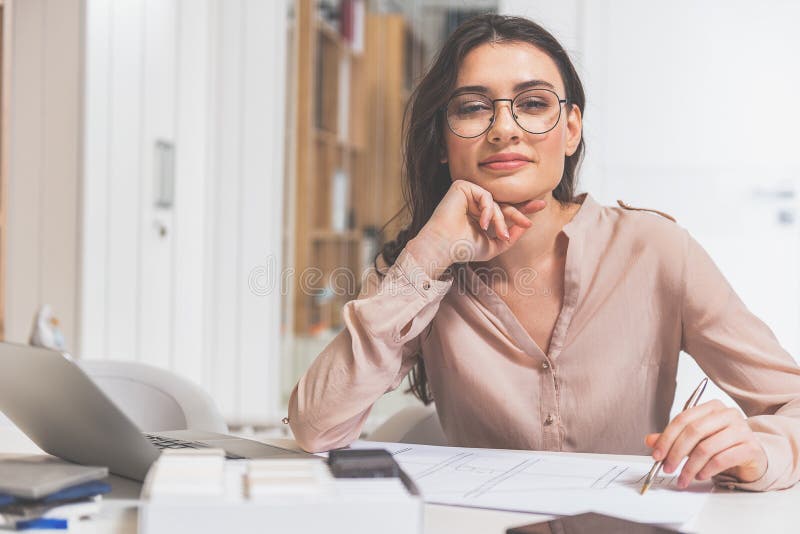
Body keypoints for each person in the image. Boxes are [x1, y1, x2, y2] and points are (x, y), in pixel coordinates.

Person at [287, 14, 800, 491]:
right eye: (472, 107)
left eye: (533, 103)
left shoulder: (657, 251)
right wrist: (427, 256)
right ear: (443, 143)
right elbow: (316, 428)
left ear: (571, 129)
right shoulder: (416, 270)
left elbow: (790, 405)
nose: (504, 128)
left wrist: (759, 452)